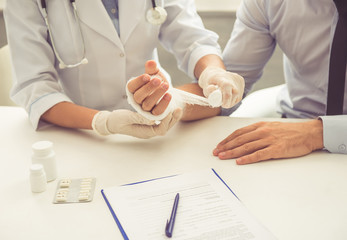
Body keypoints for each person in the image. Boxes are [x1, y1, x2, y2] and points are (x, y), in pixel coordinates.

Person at [4, 0, 244, 138]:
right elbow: (35, 86)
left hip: (159, 120)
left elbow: (193, 40)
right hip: (79, 132)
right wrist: (102, 122)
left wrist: (213, 73)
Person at [213, 0, 347, 164]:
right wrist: (176, 103)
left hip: (300, 136)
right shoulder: (269, 3)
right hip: (292, 132)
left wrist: (319, 133)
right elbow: (231, 83)